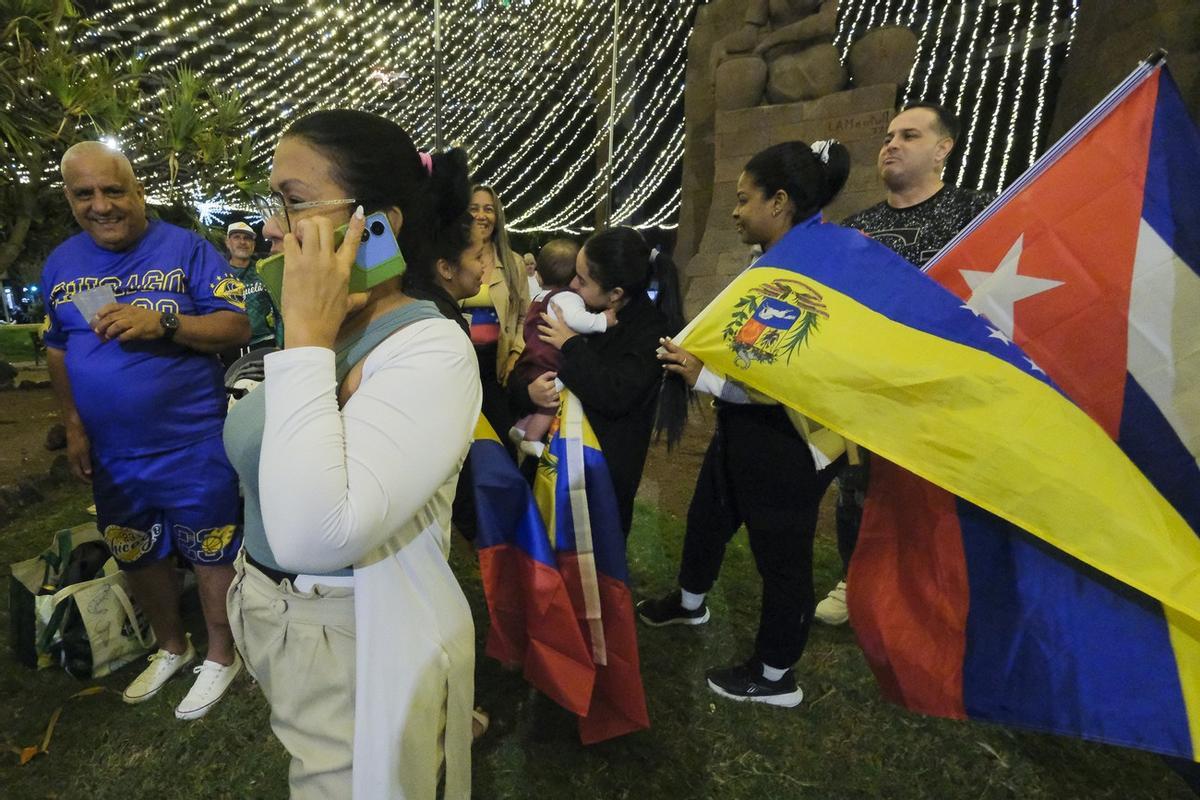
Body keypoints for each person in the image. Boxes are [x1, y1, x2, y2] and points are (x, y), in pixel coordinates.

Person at [223, 110, 481, 798]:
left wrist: (305, 337)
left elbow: (316, 532)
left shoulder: (427, 349)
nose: (273, 227)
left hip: (351, 634)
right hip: (279, 614)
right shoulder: (335, 331)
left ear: (378, 223)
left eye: (295, 201)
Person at [637, 139, 851, 708]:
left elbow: (783, 375)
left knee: (782, 557)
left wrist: (700, 376)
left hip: (790, 440)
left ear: (778, 202)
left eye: (743, 199)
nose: (734, 211)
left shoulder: (806, 274)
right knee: (709, 516)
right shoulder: (779, 262)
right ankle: (688, 602)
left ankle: (777, 674)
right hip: (747, 430)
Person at [41, 141, 250, 719]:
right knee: (135, 548)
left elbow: (236, 324)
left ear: (137, 192)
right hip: (113, 452)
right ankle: (171, 645)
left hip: (193, 438)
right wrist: (74, 426)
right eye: (85, 194)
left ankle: (219, 653)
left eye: (114, 190)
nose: (102, 205)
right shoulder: (60, 263)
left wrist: (163, 321)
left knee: (211, 549)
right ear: (69, 198)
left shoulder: (185, 248)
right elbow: (58, 350)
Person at [814, 101, 995, 626]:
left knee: (937, 501)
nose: (891, 144)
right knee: (860, 491)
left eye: (909, 135)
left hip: (945, 389)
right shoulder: (857, 227)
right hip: (869, 389)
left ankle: (938, 593)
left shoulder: (979, 214)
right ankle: (858, 582)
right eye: (888, 135)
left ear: (943, 149)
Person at [509, 226, 684, 538]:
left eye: (582, 279)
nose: (572, 285)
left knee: (589, 573)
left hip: (599, 480)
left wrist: (571, 344)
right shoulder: (575, 306)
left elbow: (615, 395)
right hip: (549, 470)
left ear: (615, 294)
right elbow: (530, 364)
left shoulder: (648, 333)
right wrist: (528, 391)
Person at [507, 238, 615, 460]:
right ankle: (532, 439)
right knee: (550, 401)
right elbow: (579, 320)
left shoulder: (539, 296)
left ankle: (522, 427)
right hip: (550, 360)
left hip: (532, 357)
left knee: (539, 400)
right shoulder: (567, 298)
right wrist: (602, 320)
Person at [462, 185, 530, 442]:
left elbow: (524, 316)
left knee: (501, 443)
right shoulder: (452, 260)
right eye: (474, 208)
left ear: (497, 217)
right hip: (462, 367)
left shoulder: (514, 264)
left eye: (488, 209)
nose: (481, 215)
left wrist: (515, 353)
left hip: (498, 370)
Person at [220, 221, 278, 367]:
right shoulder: (218, 274)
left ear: (253, 244)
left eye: (247, 238)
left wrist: (281, 342)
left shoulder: (264, 270)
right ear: (228, 242)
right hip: (230, 346)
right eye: (237, 237)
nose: (242, 242)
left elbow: (279, 308)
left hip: (265, 343)